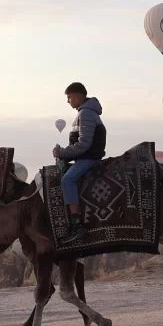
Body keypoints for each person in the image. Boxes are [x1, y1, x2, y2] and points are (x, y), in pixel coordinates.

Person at [52, 82, 105, 244]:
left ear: (77, 95)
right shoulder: (86, 112)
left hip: (88, 158)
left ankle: (76, 224)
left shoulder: (86, 114)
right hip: (86, 156)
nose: (68, 101)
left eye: (69, 97)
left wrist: (62, 152)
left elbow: (84, 144)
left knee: (67, 180)